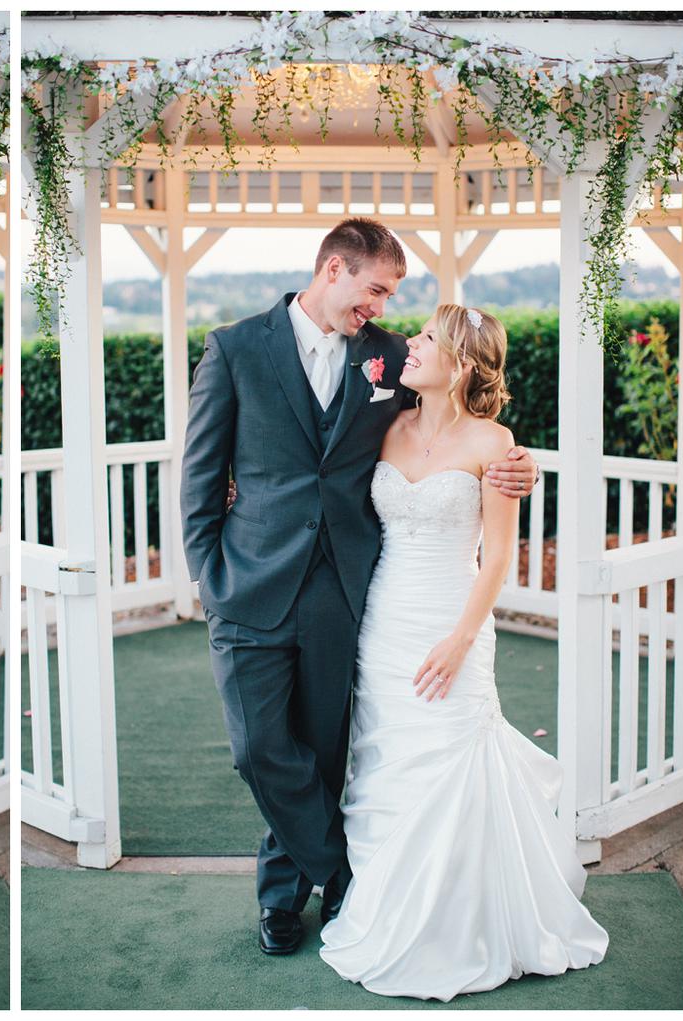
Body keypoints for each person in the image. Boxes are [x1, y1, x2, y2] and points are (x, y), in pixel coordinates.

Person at [179, 217, 539, 956]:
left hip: (344, 591)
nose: (381, 307)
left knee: (322, 747)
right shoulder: (234, 349)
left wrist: (517, 466)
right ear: (334, 269)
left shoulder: (391, 358)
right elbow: (199, 476)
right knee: (258, 748)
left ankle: (281, 898)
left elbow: (452, 428)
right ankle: (338, 868)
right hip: (246, 585)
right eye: (375, 290)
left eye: (390, 295)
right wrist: (208, 576)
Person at [318, 305, 607, 999]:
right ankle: (392, 907)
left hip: (454, 616)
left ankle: (466, 923)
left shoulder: (495, 443)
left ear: (463, 363)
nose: (410, 345)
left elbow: (498, 556)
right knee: (388, 759)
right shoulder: (386, 424)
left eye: (426, 339)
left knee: (452, 750)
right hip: (384, 620)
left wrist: (460, 638)